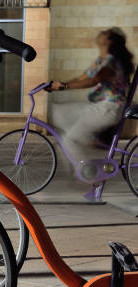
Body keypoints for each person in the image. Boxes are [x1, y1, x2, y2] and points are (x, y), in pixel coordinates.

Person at [48, 27, 134, 178]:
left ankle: (91, 174)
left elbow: (94, 80)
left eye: (105, 33)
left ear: (109, 41)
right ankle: (88, 138)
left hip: (108, 109)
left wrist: (64, 87)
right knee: (57, 111)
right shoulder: (101, 61)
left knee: (69, 141)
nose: (101, 32)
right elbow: (82, 78)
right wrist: (59, 84)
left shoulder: (111, 63)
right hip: (101, 107)